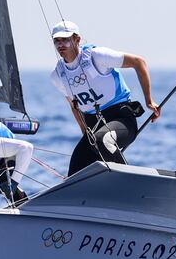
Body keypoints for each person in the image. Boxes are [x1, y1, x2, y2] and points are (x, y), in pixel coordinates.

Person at [49, 20, 160, 176]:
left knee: (103, 141)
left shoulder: (97, 56)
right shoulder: (57, 75)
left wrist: (149, 101)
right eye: (57, 40)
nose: (60, 44)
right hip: (93, 126)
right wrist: (85, 134)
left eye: (65, 39)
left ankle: (130, 184)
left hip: (120, 118)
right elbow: (74, 106)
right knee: (75, 170)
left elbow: (138, 62)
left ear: (77, 39)